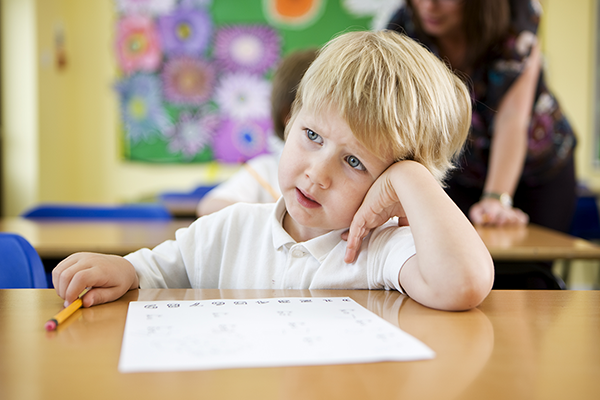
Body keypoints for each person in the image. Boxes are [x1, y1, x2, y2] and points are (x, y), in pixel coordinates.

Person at [52, 31, 494, 312]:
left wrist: (411, 178)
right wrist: (123, 270)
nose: (317, 173)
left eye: (355, 161)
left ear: (388, 186)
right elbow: (152, 271)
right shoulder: (228, 229)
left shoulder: (380, 250)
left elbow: (464, 284)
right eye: (313, 136)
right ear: (290, 120)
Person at [387, 0, 577, 233]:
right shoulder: (402, 30)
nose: (429, 6)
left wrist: (495, 199)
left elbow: (512, 119)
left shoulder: (516, 18)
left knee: (526, 265)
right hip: (462, 172)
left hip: (538, 172)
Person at [197, 49, 318, 216]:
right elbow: (208, 207)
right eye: (313, 133)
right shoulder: (266, 169)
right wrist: (269, 214)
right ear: (288, 117)